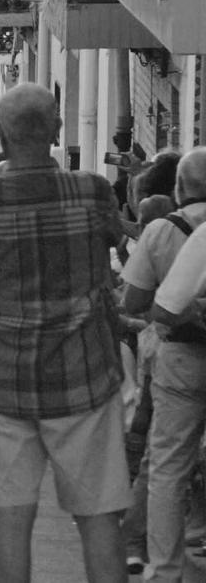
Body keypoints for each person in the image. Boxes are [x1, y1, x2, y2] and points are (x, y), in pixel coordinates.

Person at [0, 83, 129, 583]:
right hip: (86, 377)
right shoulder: (91, 191)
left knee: (12, 518)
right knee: (99, 518)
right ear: (57, 130)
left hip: (4, 382)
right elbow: (116, 239)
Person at [131, 148, 206, 580]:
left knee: (168, 466)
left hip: (184, 357)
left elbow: (151, 305)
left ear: (179, 188)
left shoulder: (165, 230)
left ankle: (164, 570)